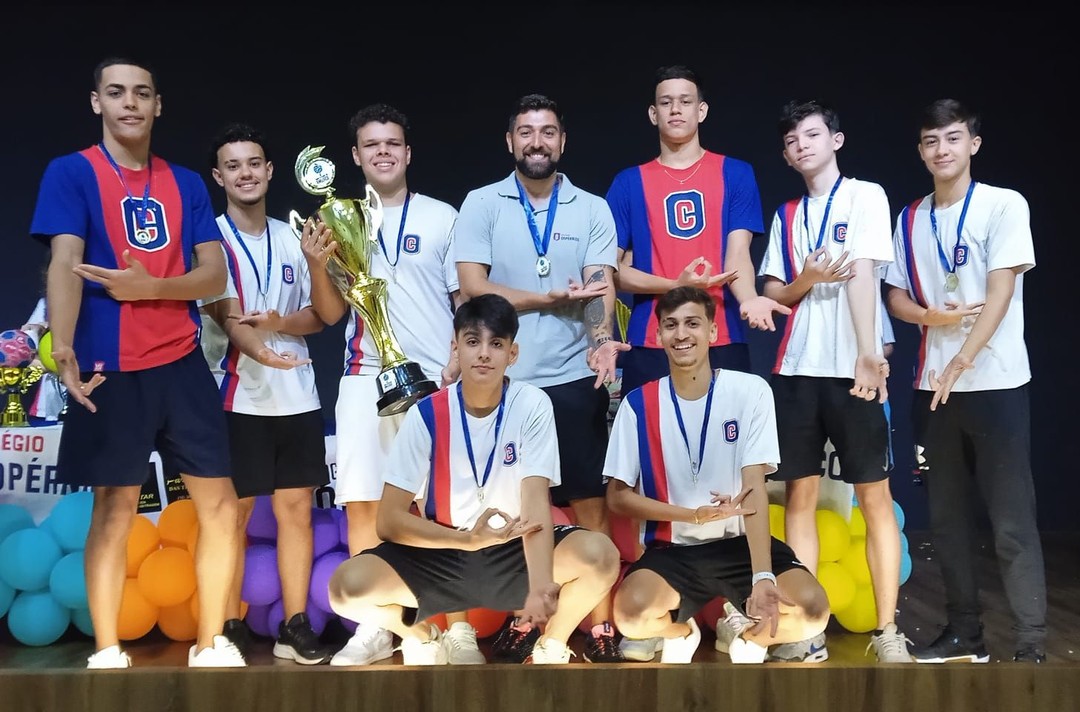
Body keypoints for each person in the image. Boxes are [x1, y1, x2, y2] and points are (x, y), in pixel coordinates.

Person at [28, 57, 243, 668]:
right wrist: (61, 344)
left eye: (142, 94)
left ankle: (210, 641)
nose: (130, 103)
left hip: (179, 360)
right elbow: (66, 264)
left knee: (221, 503)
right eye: (116, 93)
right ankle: (105, 648)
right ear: (96, 102)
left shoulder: (186, 184)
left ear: (157, 106)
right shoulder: (70, 173)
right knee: (115, 506)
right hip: (107, 363)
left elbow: (213, 274)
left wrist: (149, 288)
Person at [327, 293, 621, 665]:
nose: (484, 353)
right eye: (472, 342)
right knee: (345, 589)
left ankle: (551, 642)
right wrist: (466, 541)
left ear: (512, 354)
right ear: (456, 349)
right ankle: (420, 635)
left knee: (602, 556)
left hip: (512, 550)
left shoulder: (531, 404)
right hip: (445, 552)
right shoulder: (425, 414)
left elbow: (534, 503)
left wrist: (541, 586)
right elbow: (388, 521)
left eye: (496, 344)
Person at [454, 93, 628, 663]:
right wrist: (545, 299)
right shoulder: (482, 204)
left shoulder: (592, 207)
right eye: (526, 132)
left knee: (589, 503)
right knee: (515, 510)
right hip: (501, 386)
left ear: (562, 142)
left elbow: (599, 289)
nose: (537, 142)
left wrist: (601, 345)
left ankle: (599, 624)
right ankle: (527, 620)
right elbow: (474, 290)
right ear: (510, 142)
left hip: (573, 381)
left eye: (548, 132)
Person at [300, 103, 468, 665]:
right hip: (363, 377)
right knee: (364, 506)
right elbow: (327, 314)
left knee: (446, 505)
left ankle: (457, 625)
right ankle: (378, 628)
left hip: (434, 380)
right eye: (371, 145)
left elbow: (461, 301)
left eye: (392, 143)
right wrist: (318, 263)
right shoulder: (335, 219)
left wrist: (456, 359)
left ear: (408, 152)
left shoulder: (443, 216)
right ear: (354, 156)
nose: (382, 153)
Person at [884, 98, 1047, 664]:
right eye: (931, 141)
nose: (941, 150)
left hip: (995, 385)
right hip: (931, 391)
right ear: (921, 150)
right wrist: (930, 320)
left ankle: (1030, 641)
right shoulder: (909, 217)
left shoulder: (1003, 205)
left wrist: (962, 359)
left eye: (952, 138)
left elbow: (1001, 291)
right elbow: (896, 296)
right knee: (947, 520)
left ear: (972, 144)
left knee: (1010, 521)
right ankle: (964, 632)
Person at [755, 99, 911, 663]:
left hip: (853, 372)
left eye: (813, 135)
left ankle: (887, 630)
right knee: (799, 495)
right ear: (786, 153)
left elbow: (865, 275)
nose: (803, 145)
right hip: (797, 371)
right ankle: (803, 629)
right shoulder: (787, 214)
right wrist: (807, 277)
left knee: (874, 496)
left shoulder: (865, 195)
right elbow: (774, 295)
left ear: (836, 140)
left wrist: (869, 355)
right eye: (793, 140)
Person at [607, 286, 830, 663]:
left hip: (739, 544)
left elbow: (754, 486)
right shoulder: (637, 404)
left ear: (712, 332)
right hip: (673, 550)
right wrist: (691, 515)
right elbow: (617, 497)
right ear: (658, 335)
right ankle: (681, 632)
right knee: (630, 618)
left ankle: (748, 636)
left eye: (693, 323)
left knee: (812, 612)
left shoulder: (750, 391)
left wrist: (763, 577)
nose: (681, 334)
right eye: (671, 325)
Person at [199, 122, 333, 665]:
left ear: (271, 170)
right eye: (233, 165)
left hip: (296, 393)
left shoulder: (292, 237)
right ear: (218, 176)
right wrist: (262, 347)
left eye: (254, 163)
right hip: (235, 396)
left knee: (296, 511)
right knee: (230, 515)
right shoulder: (209, 242)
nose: (245, 173)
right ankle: (228, 621)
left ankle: (294, 625)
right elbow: (225, 316)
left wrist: (291, 306)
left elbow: (323, 316)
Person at [605, 64, 789, 397]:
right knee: (651, 445)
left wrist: (749, 299)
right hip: (651, 339)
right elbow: (612, 272)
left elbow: (738, 255)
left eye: (685, 101)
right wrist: (677, 285)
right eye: (666, 102)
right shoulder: (628, 183)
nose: (675, 109)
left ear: (701, 110)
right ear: (652, 113)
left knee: (725, 444)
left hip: (722, 333)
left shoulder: (735, 173)